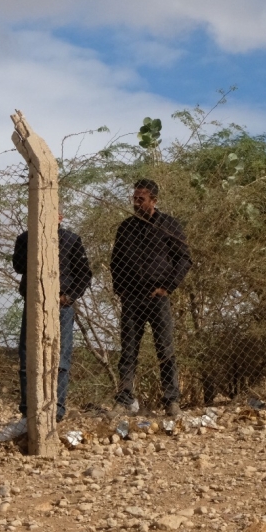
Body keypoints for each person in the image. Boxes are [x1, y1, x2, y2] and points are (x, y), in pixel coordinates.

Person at [110, 179, 192, 417]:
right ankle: (124, 400)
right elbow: (116, 262)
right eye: (134, 198)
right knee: (128, 352)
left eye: (141, 199)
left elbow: (184, 259)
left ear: (154, 201)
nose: (136, 203)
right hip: (132, 299)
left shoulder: (168, 225)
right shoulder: (126, 227)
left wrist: (167, 286)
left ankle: (171, 401)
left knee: (165, 349)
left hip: (157, 297)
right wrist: (121, 290)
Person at [13, 212, 92, 422]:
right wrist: (34, 242)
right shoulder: (24, 238)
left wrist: (68, 297)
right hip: (34, 304)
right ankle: (28, 409)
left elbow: (84, 273)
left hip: (61, 306)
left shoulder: (71, 240)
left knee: (60, 355)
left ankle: (56, 409)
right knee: (27, 355)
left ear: (60, 216)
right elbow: (18, 266)